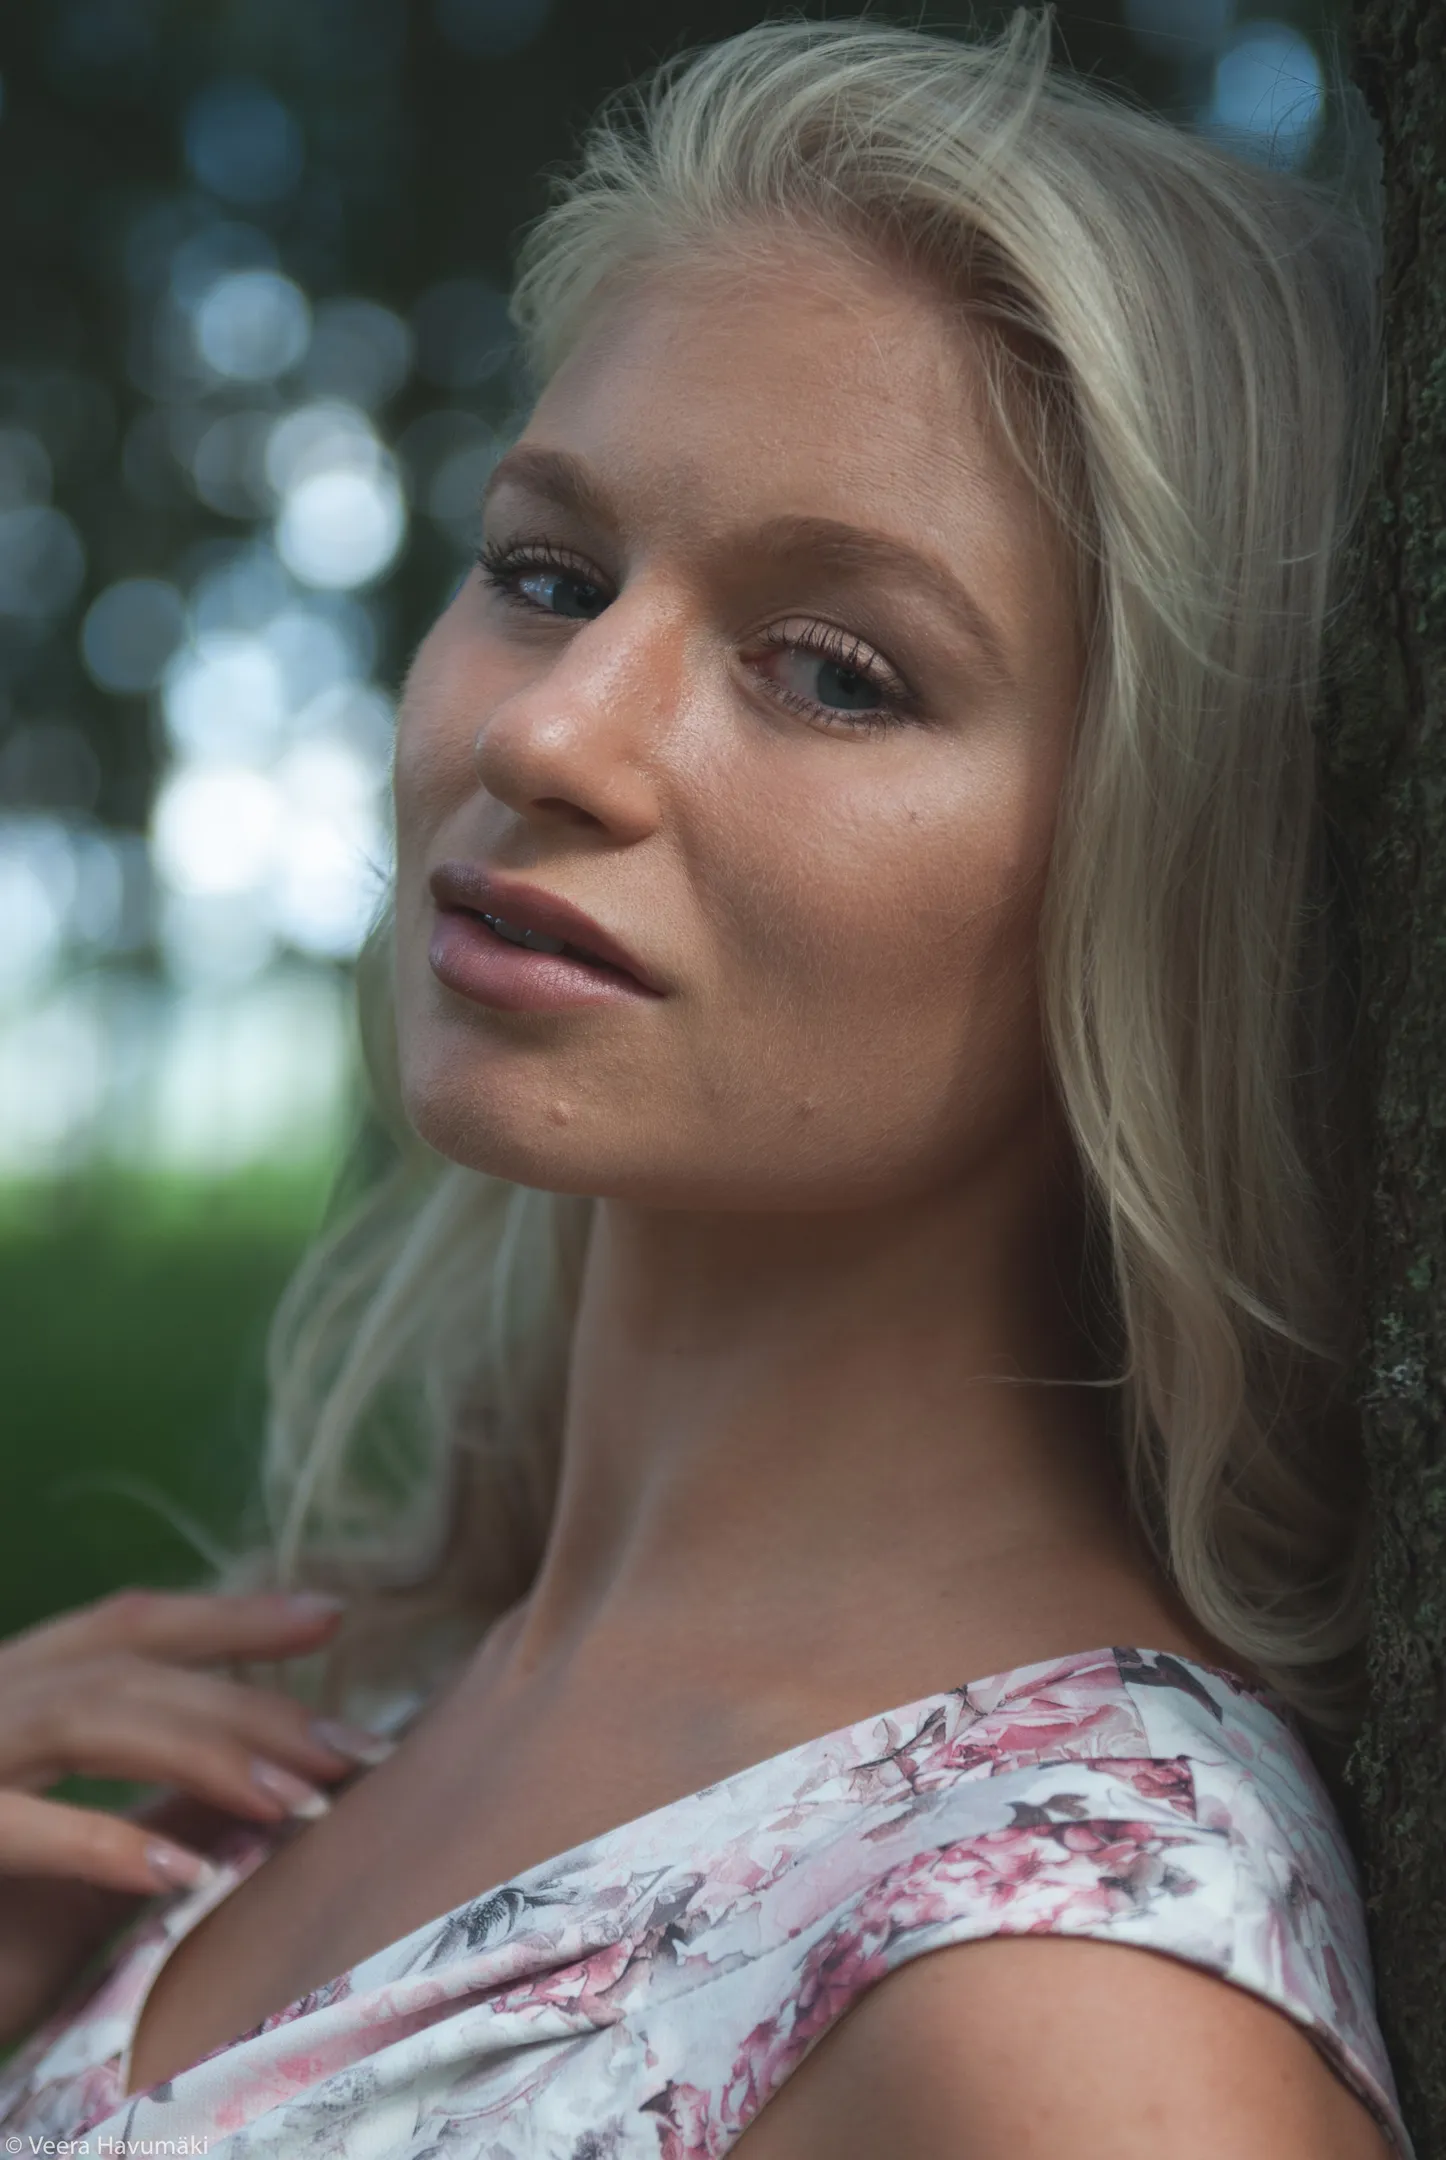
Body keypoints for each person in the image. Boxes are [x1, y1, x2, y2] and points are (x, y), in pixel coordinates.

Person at [0, 11, 1409, 2156]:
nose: (552, 732)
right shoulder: (339, 1710)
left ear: (1168, 869)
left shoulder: (1059, 2014)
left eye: (838, 671)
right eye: (549, 573)